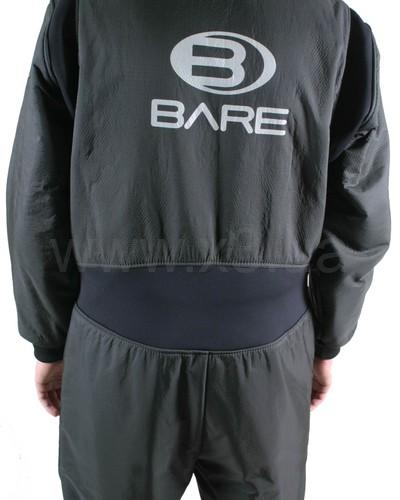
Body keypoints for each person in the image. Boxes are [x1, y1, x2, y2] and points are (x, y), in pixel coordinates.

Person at [6, 1, 391, 499]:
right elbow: (358, 212)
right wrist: (327, 340)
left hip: (115, 348)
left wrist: (50, 339)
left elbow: (39, 193)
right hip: (270, 353)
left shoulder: (84, 13)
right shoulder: (336, 27)